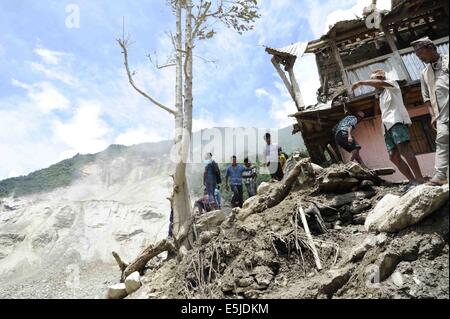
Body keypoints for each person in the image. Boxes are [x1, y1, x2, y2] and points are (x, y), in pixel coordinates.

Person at [351, 69, 425, 187]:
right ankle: (412, 181)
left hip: (396, 121)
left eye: (374, 80)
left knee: (404, 149)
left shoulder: (392, 85)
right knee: (393, 157)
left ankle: (420, 178)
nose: (373, 84)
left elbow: (379, 84)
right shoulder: (381, 95)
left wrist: (361, 83)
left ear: (381, 79)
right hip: (386, 127)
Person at [411, 37, 449, 186]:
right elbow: (426, 97)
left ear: (430, 48)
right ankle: (440, 175)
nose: (419, 57)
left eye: (420, 53)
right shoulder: (424, 73)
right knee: (442, 140)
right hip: (442, 115)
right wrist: (433, 115)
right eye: (416, 55)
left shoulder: (447, 60)